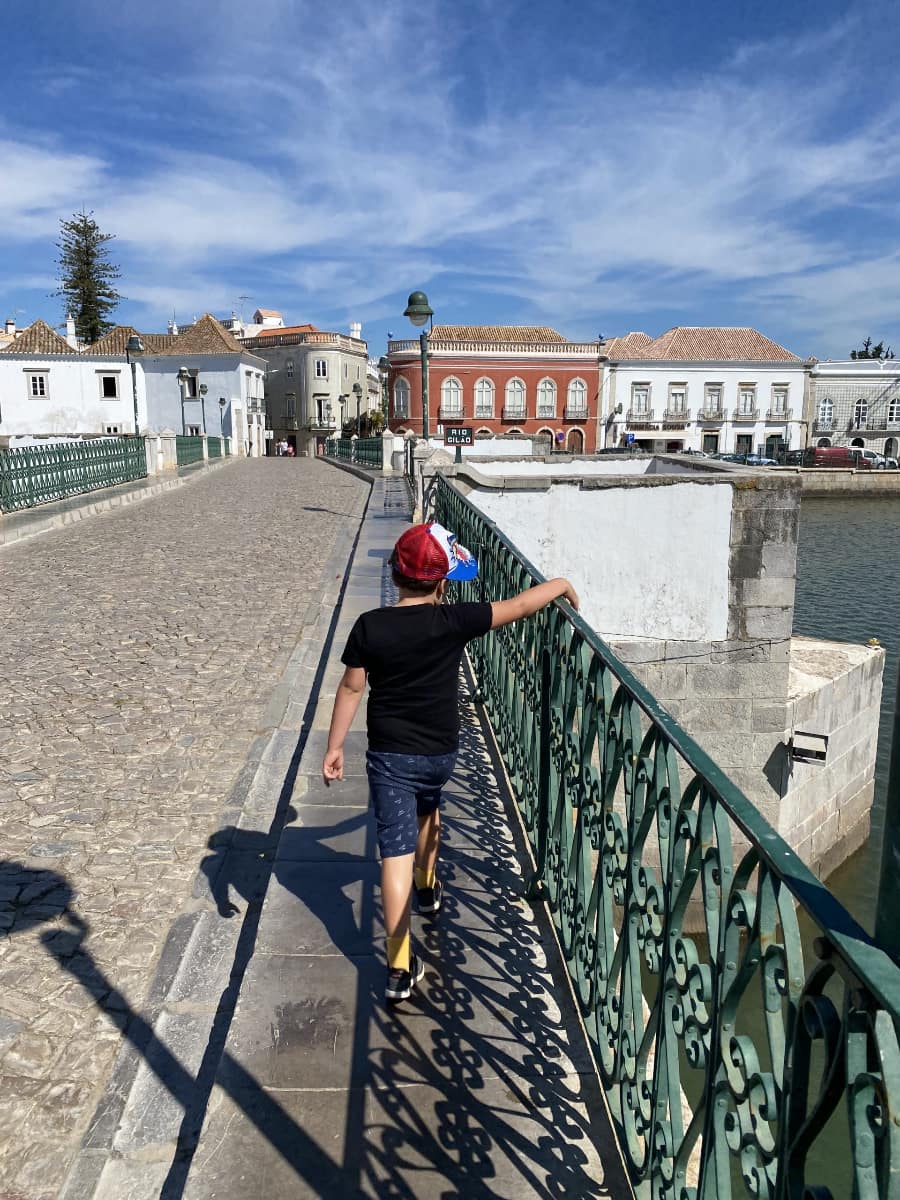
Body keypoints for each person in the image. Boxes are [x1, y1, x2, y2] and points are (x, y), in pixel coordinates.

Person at [322, 521, 579, 1004]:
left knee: (391, 851)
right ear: (442, 581)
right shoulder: (454, 620)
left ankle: (399, 965)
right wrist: (560, 584)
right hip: (439, 753)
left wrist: (335, 747)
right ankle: (428, 885)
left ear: (396, 574)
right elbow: (521, 606)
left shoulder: (369, 627)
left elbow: (353, 687)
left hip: (389, 755)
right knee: (429, 808)